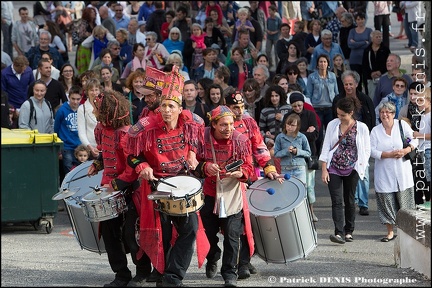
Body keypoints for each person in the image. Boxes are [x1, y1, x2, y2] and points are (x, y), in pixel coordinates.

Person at [125, 65, 209, 287]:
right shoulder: (146, 126)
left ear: (180, 108)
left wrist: (192, 152)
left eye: (171, 106)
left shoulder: (192, 121)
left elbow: (197, 138)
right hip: (156, 186)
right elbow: (130, 154)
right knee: (160, 234)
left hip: (182, 184)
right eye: (163, 106)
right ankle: (162, 275)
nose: (166, 111)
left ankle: (173, 276)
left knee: (189, 230)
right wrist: (141, 165)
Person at [87, 89, 151, 287]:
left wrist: (117, 184)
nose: (94, 112)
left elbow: (133, 165)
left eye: (98, 109)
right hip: (109, 188)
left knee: (132, 233)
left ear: (109, 111)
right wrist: (98, 164)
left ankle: (142, 271)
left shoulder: (124, 134)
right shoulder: (100, 129)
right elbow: (106, 155)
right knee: (109, 232)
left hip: (130, 187)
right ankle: (121, 274)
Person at [194, 105, 255, 287]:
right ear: (213, 124)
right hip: (209, 194)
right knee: (209, 234)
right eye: (223, 125)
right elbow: (192, 162)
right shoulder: (202, 137)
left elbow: (249, 167)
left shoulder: (241, 140)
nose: (228, 129)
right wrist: (205, 167)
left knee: (232, 234)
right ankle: (213, 256)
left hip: (232, 193)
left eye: (230, 124)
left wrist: (241, 173)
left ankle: (230, 273)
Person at [224, 91, 279, 279]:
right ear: (227, 107)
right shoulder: (221, 125)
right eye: (234, 108)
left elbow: (260, 146)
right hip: (227, 183)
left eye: (241, 107)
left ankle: (244, 263)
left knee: (248, 223)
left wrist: (269, 167)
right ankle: (230, 260)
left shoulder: (249, 123)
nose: (239, 111)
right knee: (232, 228)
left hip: (249, 178)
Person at [319, 97, 371, 244]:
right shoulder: (332, 125)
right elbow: (326, 147)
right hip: (334, 166)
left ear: (351, 113)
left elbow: (366, 150)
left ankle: (349, 230)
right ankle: (338, 232)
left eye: (343, 115)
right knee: (336, 201)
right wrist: (324, 169)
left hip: (352, 167)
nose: (339, 117)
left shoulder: (362, 127)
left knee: (349, 200)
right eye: (338, 114)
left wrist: (361, 166)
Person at [370, 101, 417, 242]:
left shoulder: (402, 126)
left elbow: (413, 139)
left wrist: (406, 150)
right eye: (382, 112)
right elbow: (372, 151)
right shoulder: (375, 131)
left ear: (393, 113)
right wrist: (388, 154)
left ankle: (407, 232)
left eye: (388, 112)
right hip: (384, 172)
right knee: (387, 202)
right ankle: (390, 232)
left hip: (402, 172)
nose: (385, 115)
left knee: (405, 203)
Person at [332, 70, 376, 216]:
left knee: (362, 169)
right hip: (343, 141)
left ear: (357, 84)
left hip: (361, 139)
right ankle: (352, 200)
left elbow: (371, 119)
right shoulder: (338, 99)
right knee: (347, 171)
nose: (348, 87)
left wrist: (369, 137)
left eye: (351, 84)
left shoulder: (365, 99)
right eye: (346, 84)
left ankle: (363, 203)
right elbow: (334, 120)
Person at [284, 91, 320, 221]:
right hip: (292, 158)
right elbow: (286, 136)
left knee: (309, 186)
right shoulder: (288, 116)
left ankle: (311, 211)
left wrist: (298, 133)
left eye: (299, 105)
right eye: (295, 106)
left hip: (308, 155)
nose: (298, 108)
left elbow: (315, 135)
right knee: (293, 185)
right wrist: (305, 133)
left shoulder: (310, 114)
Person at [274, 113, 312, 184]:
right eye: (288, 124)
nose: (289, 127)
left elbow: (308, 153)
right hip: (285, 168)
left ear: (297, 126)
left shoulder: (302, 137)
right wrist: (286, 151)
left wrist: (297, 151)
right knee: (287, 191)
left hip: (299, 168)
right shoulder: (280, 137)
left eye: (292, 125)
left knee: (302, 191)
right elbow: (276, 154)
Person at [54, 85, 82, 176]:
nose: (75, 101)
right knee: (69, 172)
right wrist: (58, 148)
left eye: (78, 99)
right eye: (73, 99)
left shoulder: (82, 109)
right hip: (66, 146)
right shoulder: (62, 110)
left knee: (80, 170)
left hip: (79, 145)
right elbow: (56, 128)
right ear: (68, 97)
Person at [412, 87, 431, 206]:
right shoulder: (424, 115)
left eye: (421, 100)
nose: (417, 103)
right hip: (423, 150)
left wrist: (419, 135)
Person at [361, 30, 391, 98]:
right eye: (377, 37)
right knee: (372, 97)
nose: (379, 38)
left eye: (380, 37)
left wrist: (380, 71)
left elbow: (388, 63)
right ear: (372, 38)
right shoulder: (367, 50)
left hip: (383, 75)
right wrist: (371, 73)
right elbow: (365, 65)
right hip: (371, 78)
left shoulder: (385, 49)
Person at [77, 77, 100, 160]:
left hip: (106, 148)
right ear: (87, 92)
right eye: (91, 90)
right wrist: (91, 148)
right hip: (90, 149)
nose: (94, 93)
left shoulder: (106, 107)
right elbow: (81, 133)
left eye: (96, 89)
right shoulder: (82, 109)